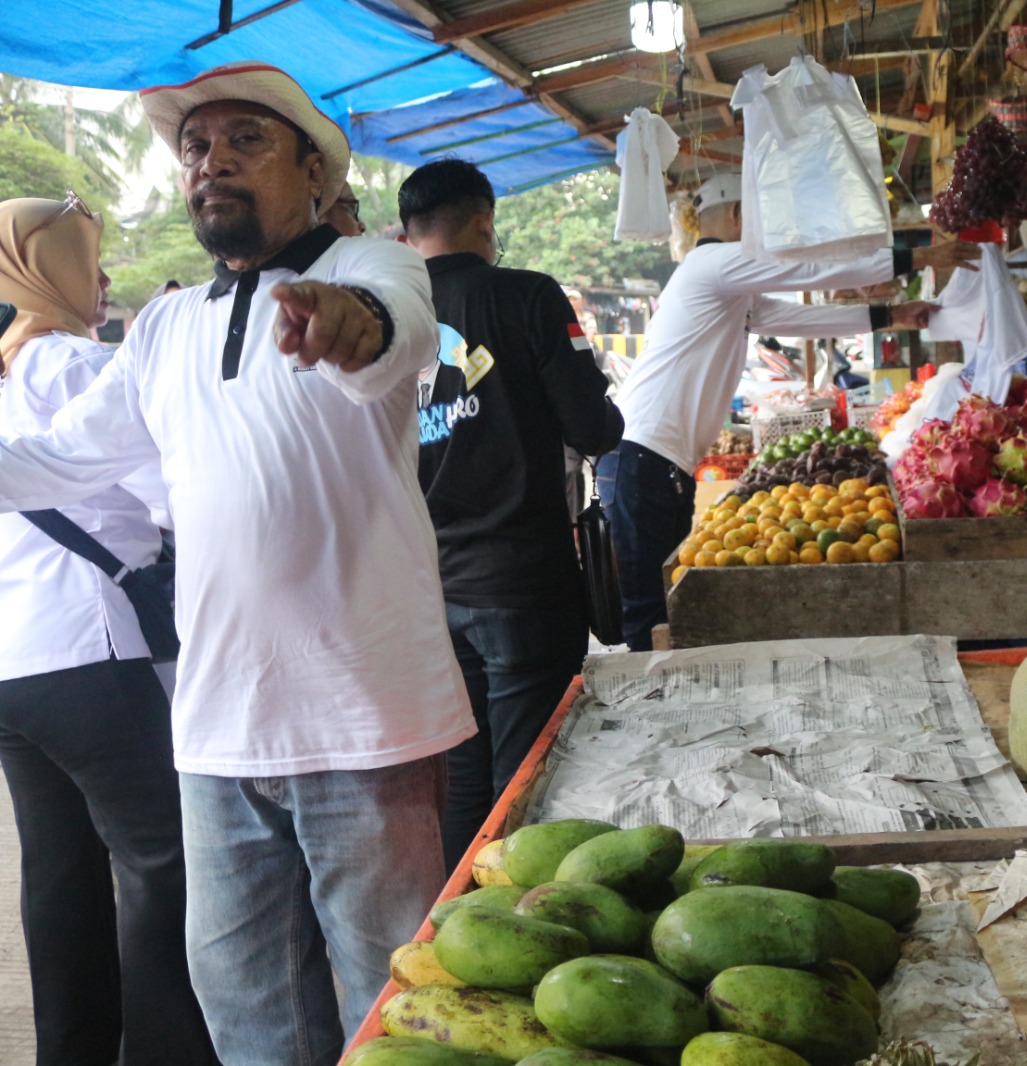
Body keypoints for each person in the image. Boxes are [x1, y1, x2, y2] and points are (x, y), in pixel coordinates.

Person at [0, 61, 474, 1065]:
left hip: (365, 717)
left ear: (313, 168)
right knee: (247, 1012)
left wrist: (349, 328)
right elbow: (57, 461)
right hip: (215, 729)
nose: (210, 162)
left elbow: (398, 337)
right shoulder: (165, 327)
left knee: (391, 1001)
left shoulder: (367, 271)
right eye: (195, 148)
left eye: (243, 141)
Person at [0, 196, 218, 1066]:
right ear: (45, 269)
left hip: (13, 668)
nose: (100, 281)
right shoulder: (72, 365)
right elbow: (177, 491)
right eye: (85, 261)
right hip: (89, 653)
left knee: (60, 874)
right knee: (169, 863)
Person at [600, 173, 976, 650]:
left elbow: (796, 318)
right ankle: (645, 705)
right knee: (649, 609)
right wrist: (917, 256)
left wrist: (889, 316)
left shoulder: (728, 287)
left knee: (668, 602)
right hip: (640, 458)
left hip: (657, 463)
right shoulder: (711, 264)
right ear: (739, 216)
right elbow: (808, 270)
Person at [397, 159, 623, 868]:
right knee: (529, 780)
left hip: (429, 591)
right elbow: (595, 428)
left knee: (465, 783)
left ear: (409, 236)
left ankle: (463, 930)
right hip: (523, 582)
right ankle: (522, 924)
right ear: (486, 222)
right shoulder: (526, 296)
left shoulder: (385, 318)